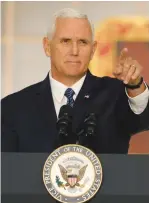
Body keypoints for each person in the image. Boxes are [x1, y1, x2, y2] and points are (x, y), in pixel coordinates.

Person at [1, 8, 149, 153]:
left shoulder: (115, 95)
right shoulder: (13, 107)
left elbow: (143, 118)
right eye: (65, 41)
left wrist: (135, 85)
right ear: (47, 46)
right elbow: (8, 170)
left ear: (93, 49)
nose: (74, 51)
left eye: (83, 42)